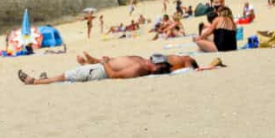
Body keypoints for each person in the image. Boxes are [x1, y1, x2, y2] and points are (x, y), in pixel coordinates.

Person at [18, 51, 222, 85]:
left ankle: (35, 81)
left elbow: (115, 75)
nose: (152, 59)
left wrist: (104, 62)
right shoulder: (144, 63)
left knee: (65, 76)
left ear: (155, 68)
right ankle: (45, 79)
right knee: (64, 75)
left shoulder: (139, 70)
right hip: (98, 67)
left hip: (99, 72)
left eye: (155, 60)